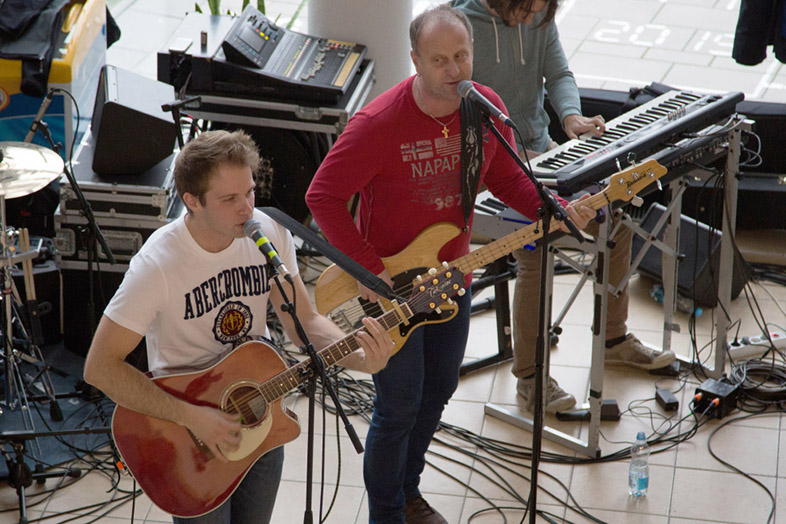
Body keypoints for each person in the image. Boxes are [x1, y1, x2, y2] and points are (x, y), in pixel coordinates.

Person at [305, 6, 595, 524]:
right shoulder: (378, 123)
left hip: (450, 278)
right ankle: (386, 514)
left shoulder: (485, 110)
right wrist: (370, 271)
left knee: (437, 391)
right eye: (438, 60)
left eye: (461, 56)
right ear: (415, 61)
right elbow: (322, 196)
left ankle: (407, 492)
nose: (453, 69)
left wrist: (554, 210)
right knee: (398, 405)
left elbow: (507, 179)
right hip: (387, 290)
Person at [83, 129, 394, 524]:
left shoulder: (269, 232)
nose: (247, 209)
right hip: (190, 434)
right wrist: (192, 416)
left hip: (262, 411)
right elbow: (100, 368)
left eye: (250, 193)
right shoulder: (157, 266)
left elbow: (305, 322)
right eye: (229, 199)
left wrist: (362, 358)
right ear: (192, 201)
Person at [453, 0, 677, 413]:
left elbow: (558, 74)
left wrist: (571, 117)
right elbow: (455, 113)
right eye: (526, 9)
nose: (532, 18)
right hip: (487, 171)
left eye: (540, 9)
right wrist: (510, 162)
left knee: (614, 222)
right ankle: (530, 377)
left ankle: (613, 338)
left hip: (542, 153)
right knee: (536, 250)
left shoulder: (538, 13)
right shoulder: (461, 26)